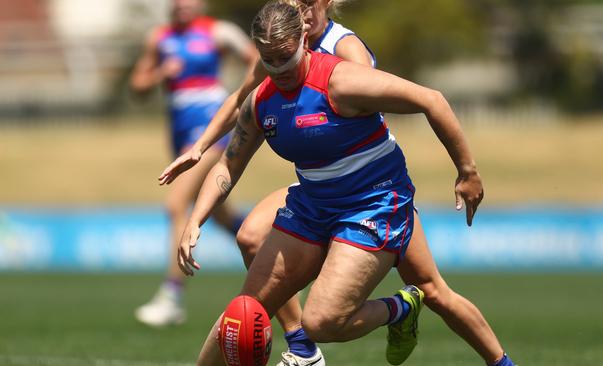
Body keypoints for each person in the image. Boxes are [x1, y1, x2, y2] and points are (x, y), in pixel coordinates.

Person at [161, 1, 515, 366]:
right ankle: (302, 347)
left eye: (285, 58)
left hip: (374, 200)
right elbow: (228, 164)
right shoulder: (262, 100)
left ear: (303, 40)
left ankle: (401, 310)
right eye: (269, 61)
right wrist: (195, 219)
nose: (278, 69)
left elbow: (431, 100)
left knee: (339, 316)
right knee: (242, 312)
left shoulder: (343, 75)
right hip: (314, 202)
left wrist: (467, 171)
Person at [129, 0, 257, 327]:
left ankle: (172, 296)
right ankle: (275, 258)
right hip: (179, 130)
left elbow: (256, 60)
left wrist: (246, 99)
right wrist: (160, 73)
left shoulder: (218, 32)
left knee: (176, 205)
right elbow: (137, 86)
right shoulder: (159, 38)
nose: (182, 4)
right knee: (218, 214)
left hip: (209, 127)